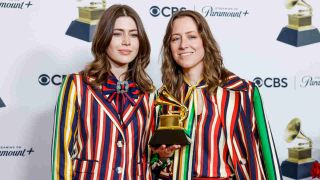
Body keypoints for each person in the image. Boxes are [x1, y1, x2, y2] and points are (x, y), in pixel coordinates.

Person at [150, 10, 282, 180]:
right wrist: (163, 157)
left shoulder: (243, 92)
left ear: (205, 40)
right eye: (176, 38)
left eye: (192, 36)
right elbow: (151, 163)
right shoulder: (162, 98)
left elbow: (267, 155)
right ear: (170, 46)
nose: (183, 45)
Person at [51, 5, 155, 180]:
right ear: (104, 37)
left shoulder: (149, 94)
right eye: (117, 33)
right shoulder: (76, 84)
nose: (126, 41)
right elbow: (62, 154)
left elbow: (151, 156)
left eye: (134, 34)